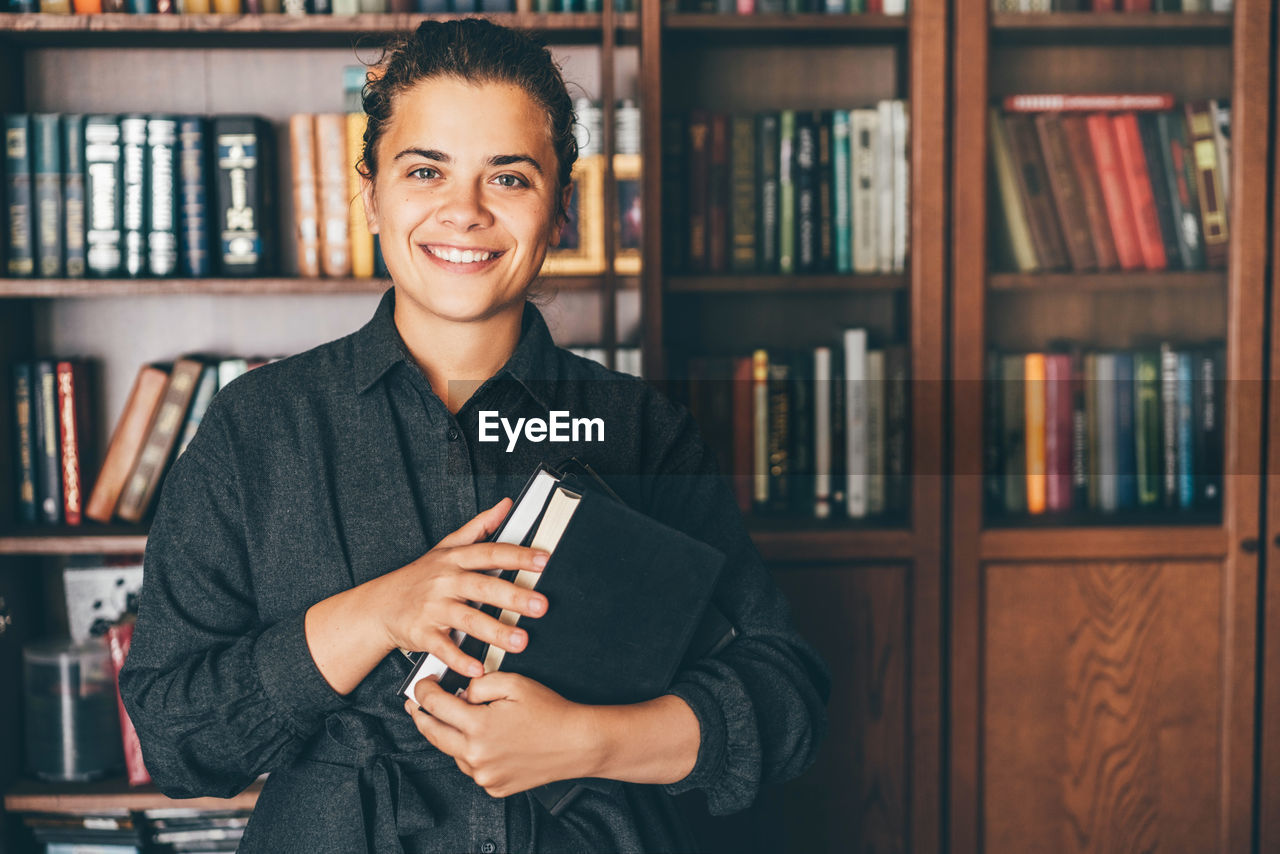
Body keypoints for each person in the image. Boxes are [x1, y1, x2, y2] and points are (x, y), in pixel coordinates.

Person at [120, 18, 829, 854]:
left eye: (510, 177)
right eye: (426, 171)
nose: (464, 212)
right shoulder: (255, 428)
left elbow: (785, 698)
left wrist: (591, 741)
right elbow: (175, 741)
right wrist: (375, 614)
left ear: (560, 210)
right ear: (372, 193)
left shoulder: (644, 431)